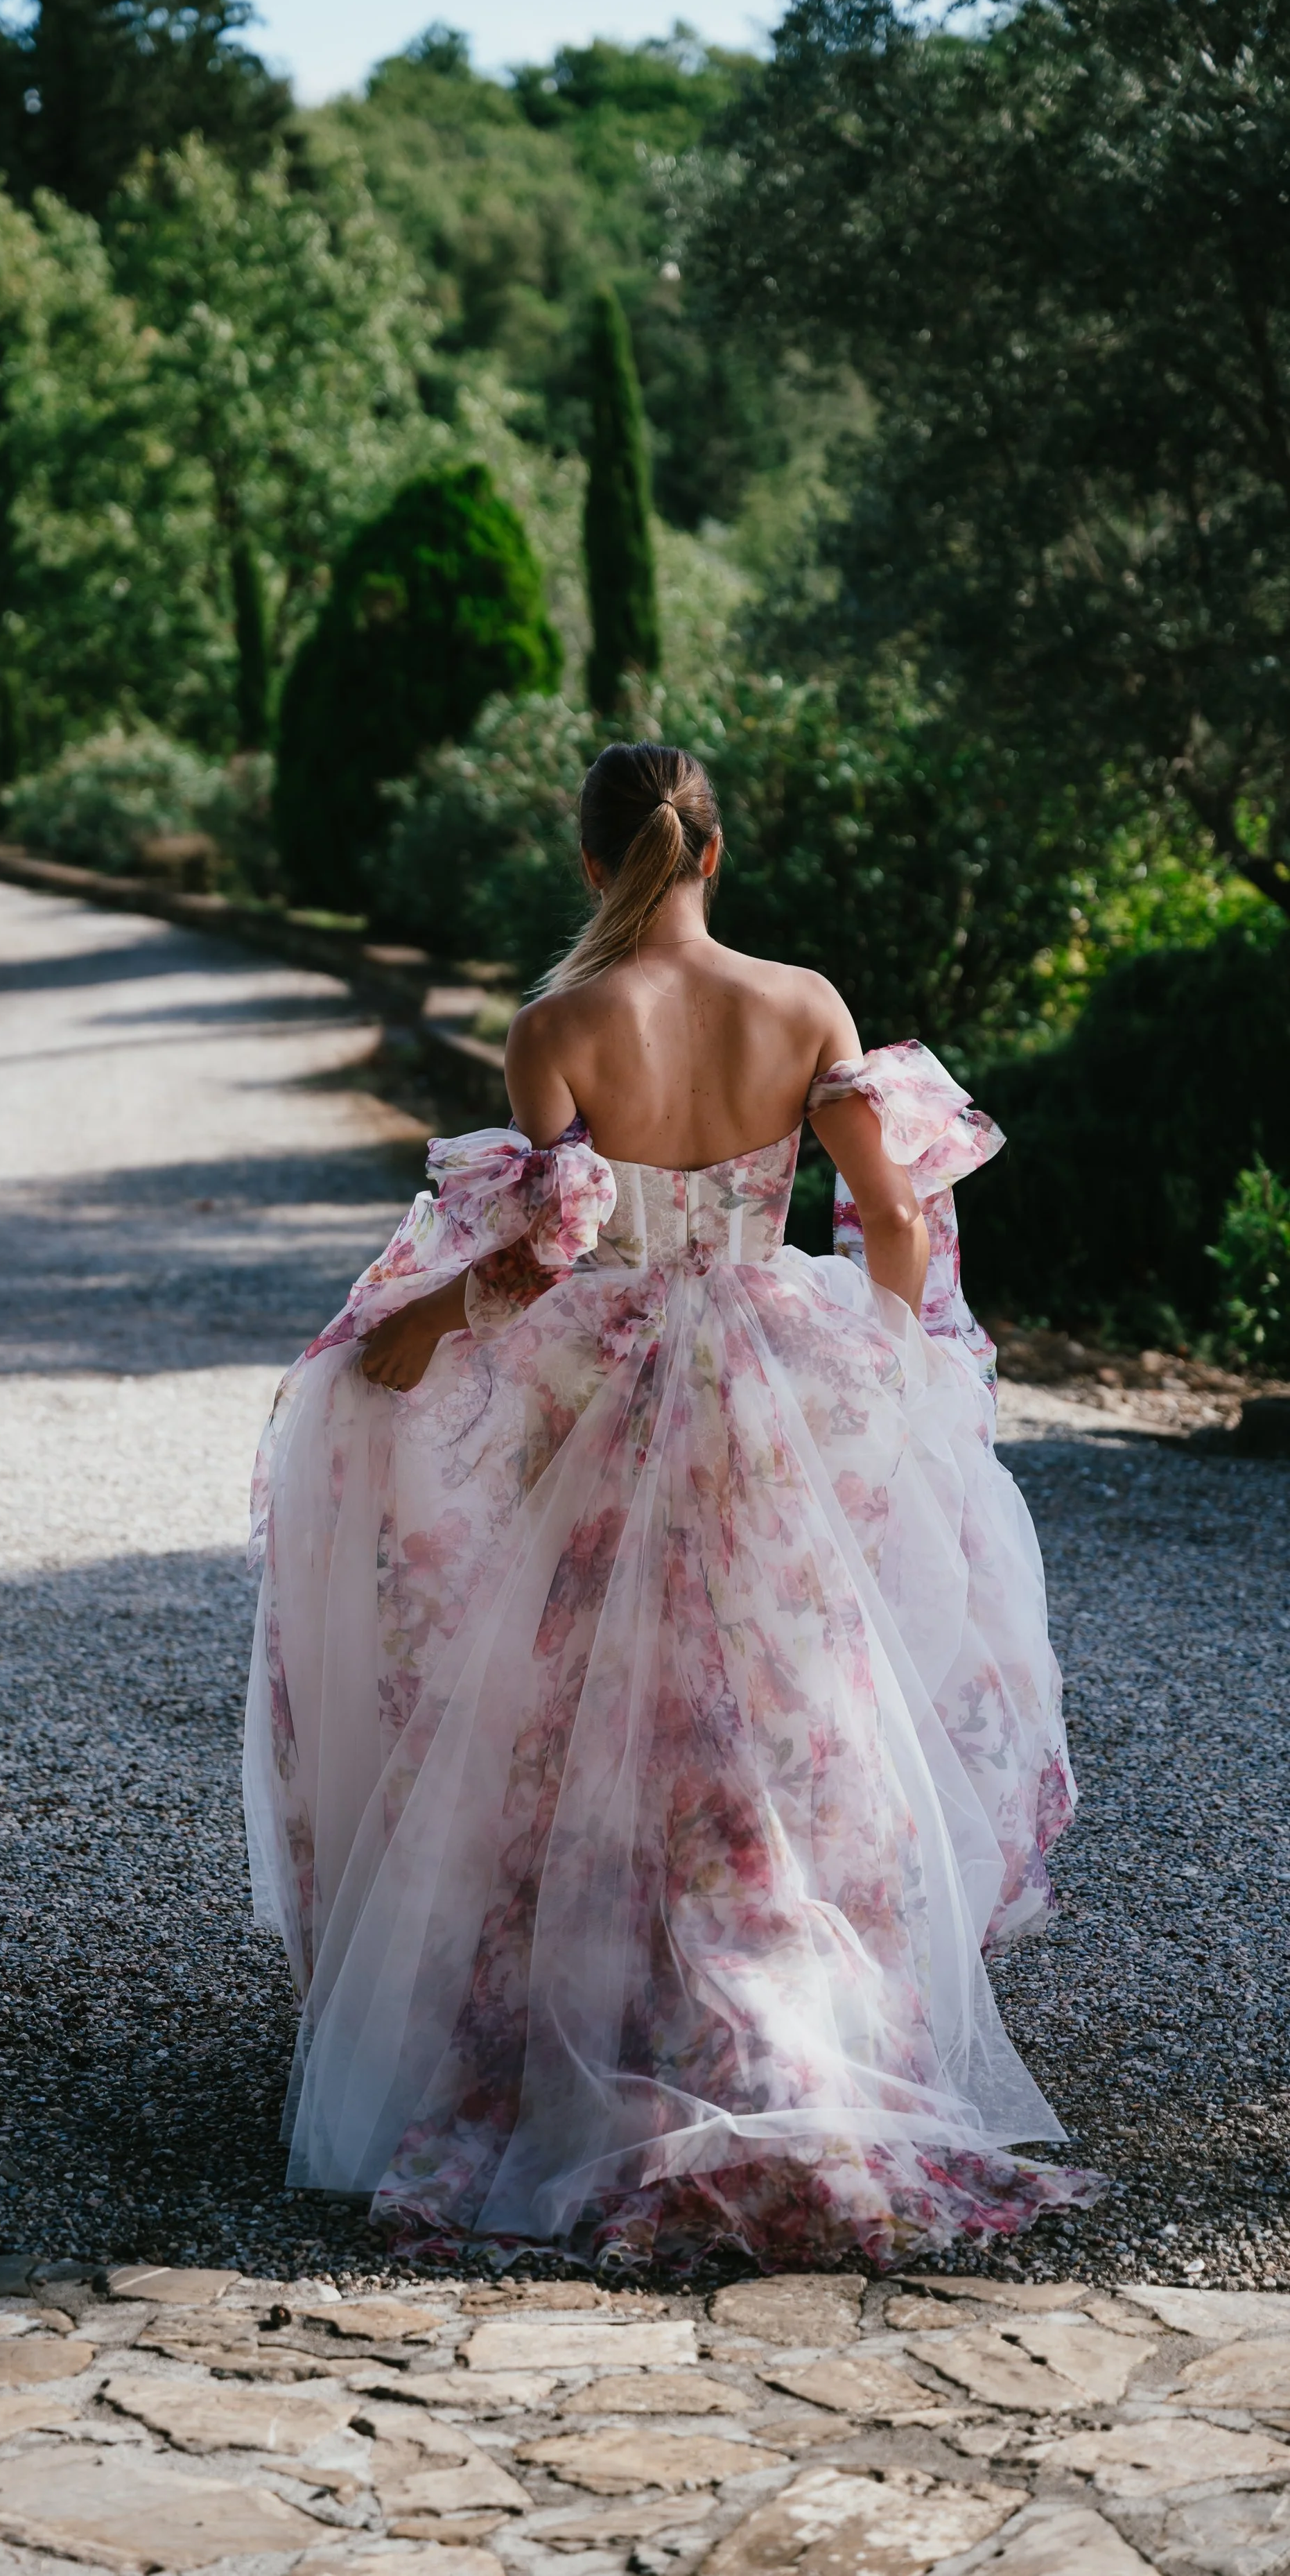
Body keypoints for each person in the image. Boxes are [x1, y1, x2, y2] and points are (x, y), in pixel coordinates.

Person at [244, 740, 1101, 2273]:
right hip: (771, 1377)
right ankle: (794, 2015)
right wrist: (883, 1369)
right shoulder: (805, 1003)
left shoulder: (555, 1026)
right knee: (782, 1696)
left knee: (591, 1696)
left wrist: (413, 1331)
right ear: (712, 853)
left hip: (608, 1389)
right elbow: (890, 1215)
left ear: (592, 862)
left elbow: (546, 1251)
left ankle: (607, 2017)